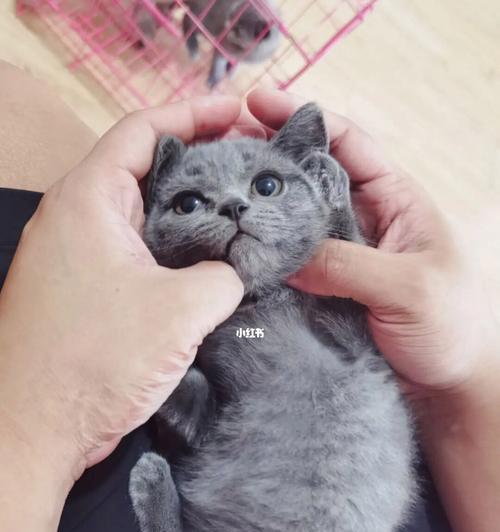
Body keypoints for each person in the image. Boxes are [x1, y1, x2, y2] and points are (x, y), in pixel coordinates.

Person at [0, 62, 498, 532]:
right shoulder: (225, 325)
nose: (235, 205)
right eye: (189, 202)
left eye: (266, 185)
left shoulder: (310, 311)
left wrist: (44, 412)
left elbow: (340, 334)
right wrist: (463, 377)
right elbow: (212, 418)